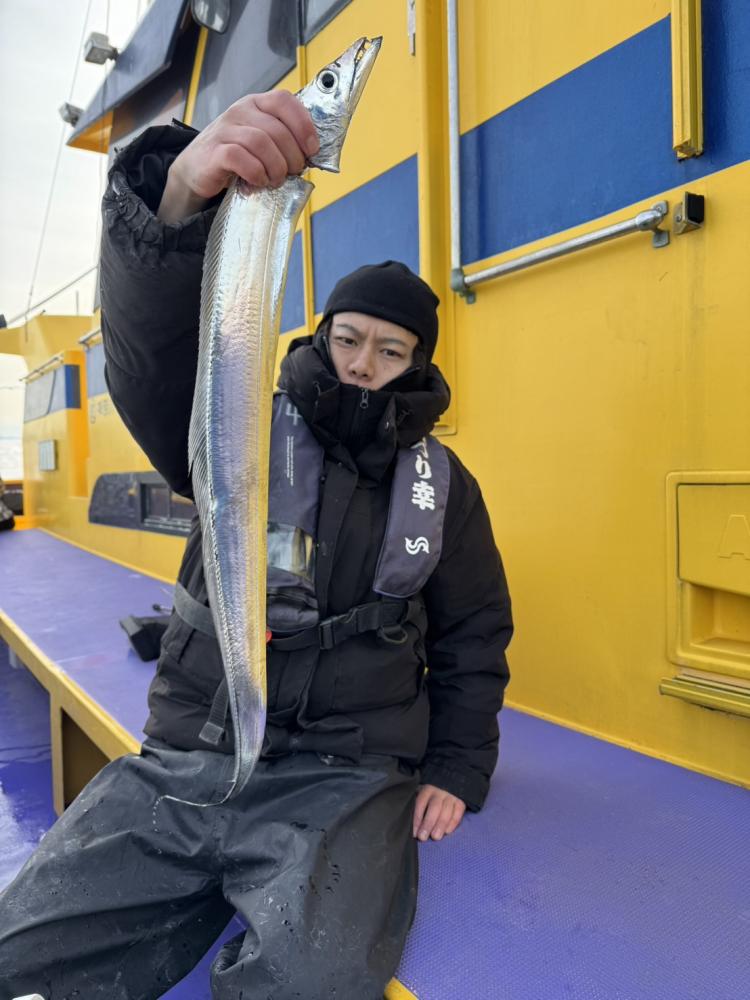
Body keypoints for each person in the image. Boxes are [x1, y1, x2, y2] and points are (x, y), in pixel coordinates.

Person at [0, 91, 512, 999]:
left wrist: (459, 768)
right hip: (196, 750)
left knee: (311, 982)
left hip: (350, 777)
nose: (362, 363)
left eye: (390, 351)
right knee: (20, 948)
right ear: (321, 335)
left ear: (418, 365)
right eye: (348, 338)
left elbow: (475, 631)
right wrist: (177, 199)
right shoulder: (228, 422)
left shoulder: (446, 490)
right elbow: (154, 353)